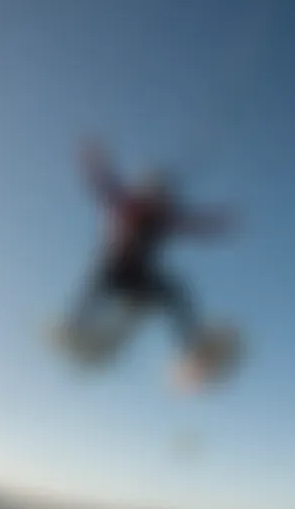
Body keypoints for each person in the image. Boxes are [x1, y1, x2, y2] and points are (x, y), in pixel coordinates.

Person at [66, 140, 236, 361]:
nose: (158, 201)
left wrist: (217, 223)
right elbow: (106, 185)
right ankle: (75, 325)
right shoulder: (127, 203)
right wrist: (94, 161)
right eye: (155, 194)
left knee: (176, 292)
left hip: (139, 278)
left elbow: (192, 224)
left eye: (161, 196)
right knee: (99, 276)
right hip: (115, 270)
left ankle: (192, 348)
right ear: (146, 191)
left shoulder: (163, 218)